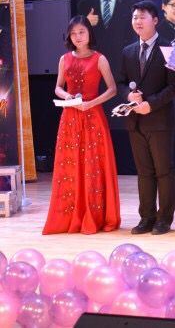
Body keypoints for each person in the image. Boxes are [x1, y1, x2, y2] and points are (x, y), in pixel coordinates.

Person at [42, 16, 120, 234]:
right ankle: (71, 215)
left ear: (89, 34)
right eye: (73, 33)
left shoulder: (99, 59)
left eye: (81, 32)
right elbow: (58, 87)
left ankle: (94, 215)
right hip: (69, 118)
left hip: (93, 117)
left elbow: (112, 89)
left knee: (92, 166)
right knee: (71, 165)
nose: (77, 37)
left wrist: (91, 103)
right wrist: (67, 96)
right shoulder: (64, 58)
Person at [118, 0, 175, 235]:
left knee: (163, 170)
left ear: (155, 20)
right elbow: (121, 82)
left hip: (159, 120)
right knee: (144, 171)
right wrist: (128, 95)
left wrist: (151, 104)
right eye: (134, 17)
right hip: (135, 121)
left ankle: (164, 219)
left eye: (142, 17)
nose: (137, 21)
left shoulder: (169, 49)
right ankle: (146, 217)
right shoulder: (128, 52)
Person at [77, 0, 136, 74]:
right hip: (92, 61)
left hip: (121, 62)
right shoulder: (84, 4)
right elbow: (75, 34)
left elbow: (134, 35)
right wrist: (85, 23)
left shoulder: (130, 5)